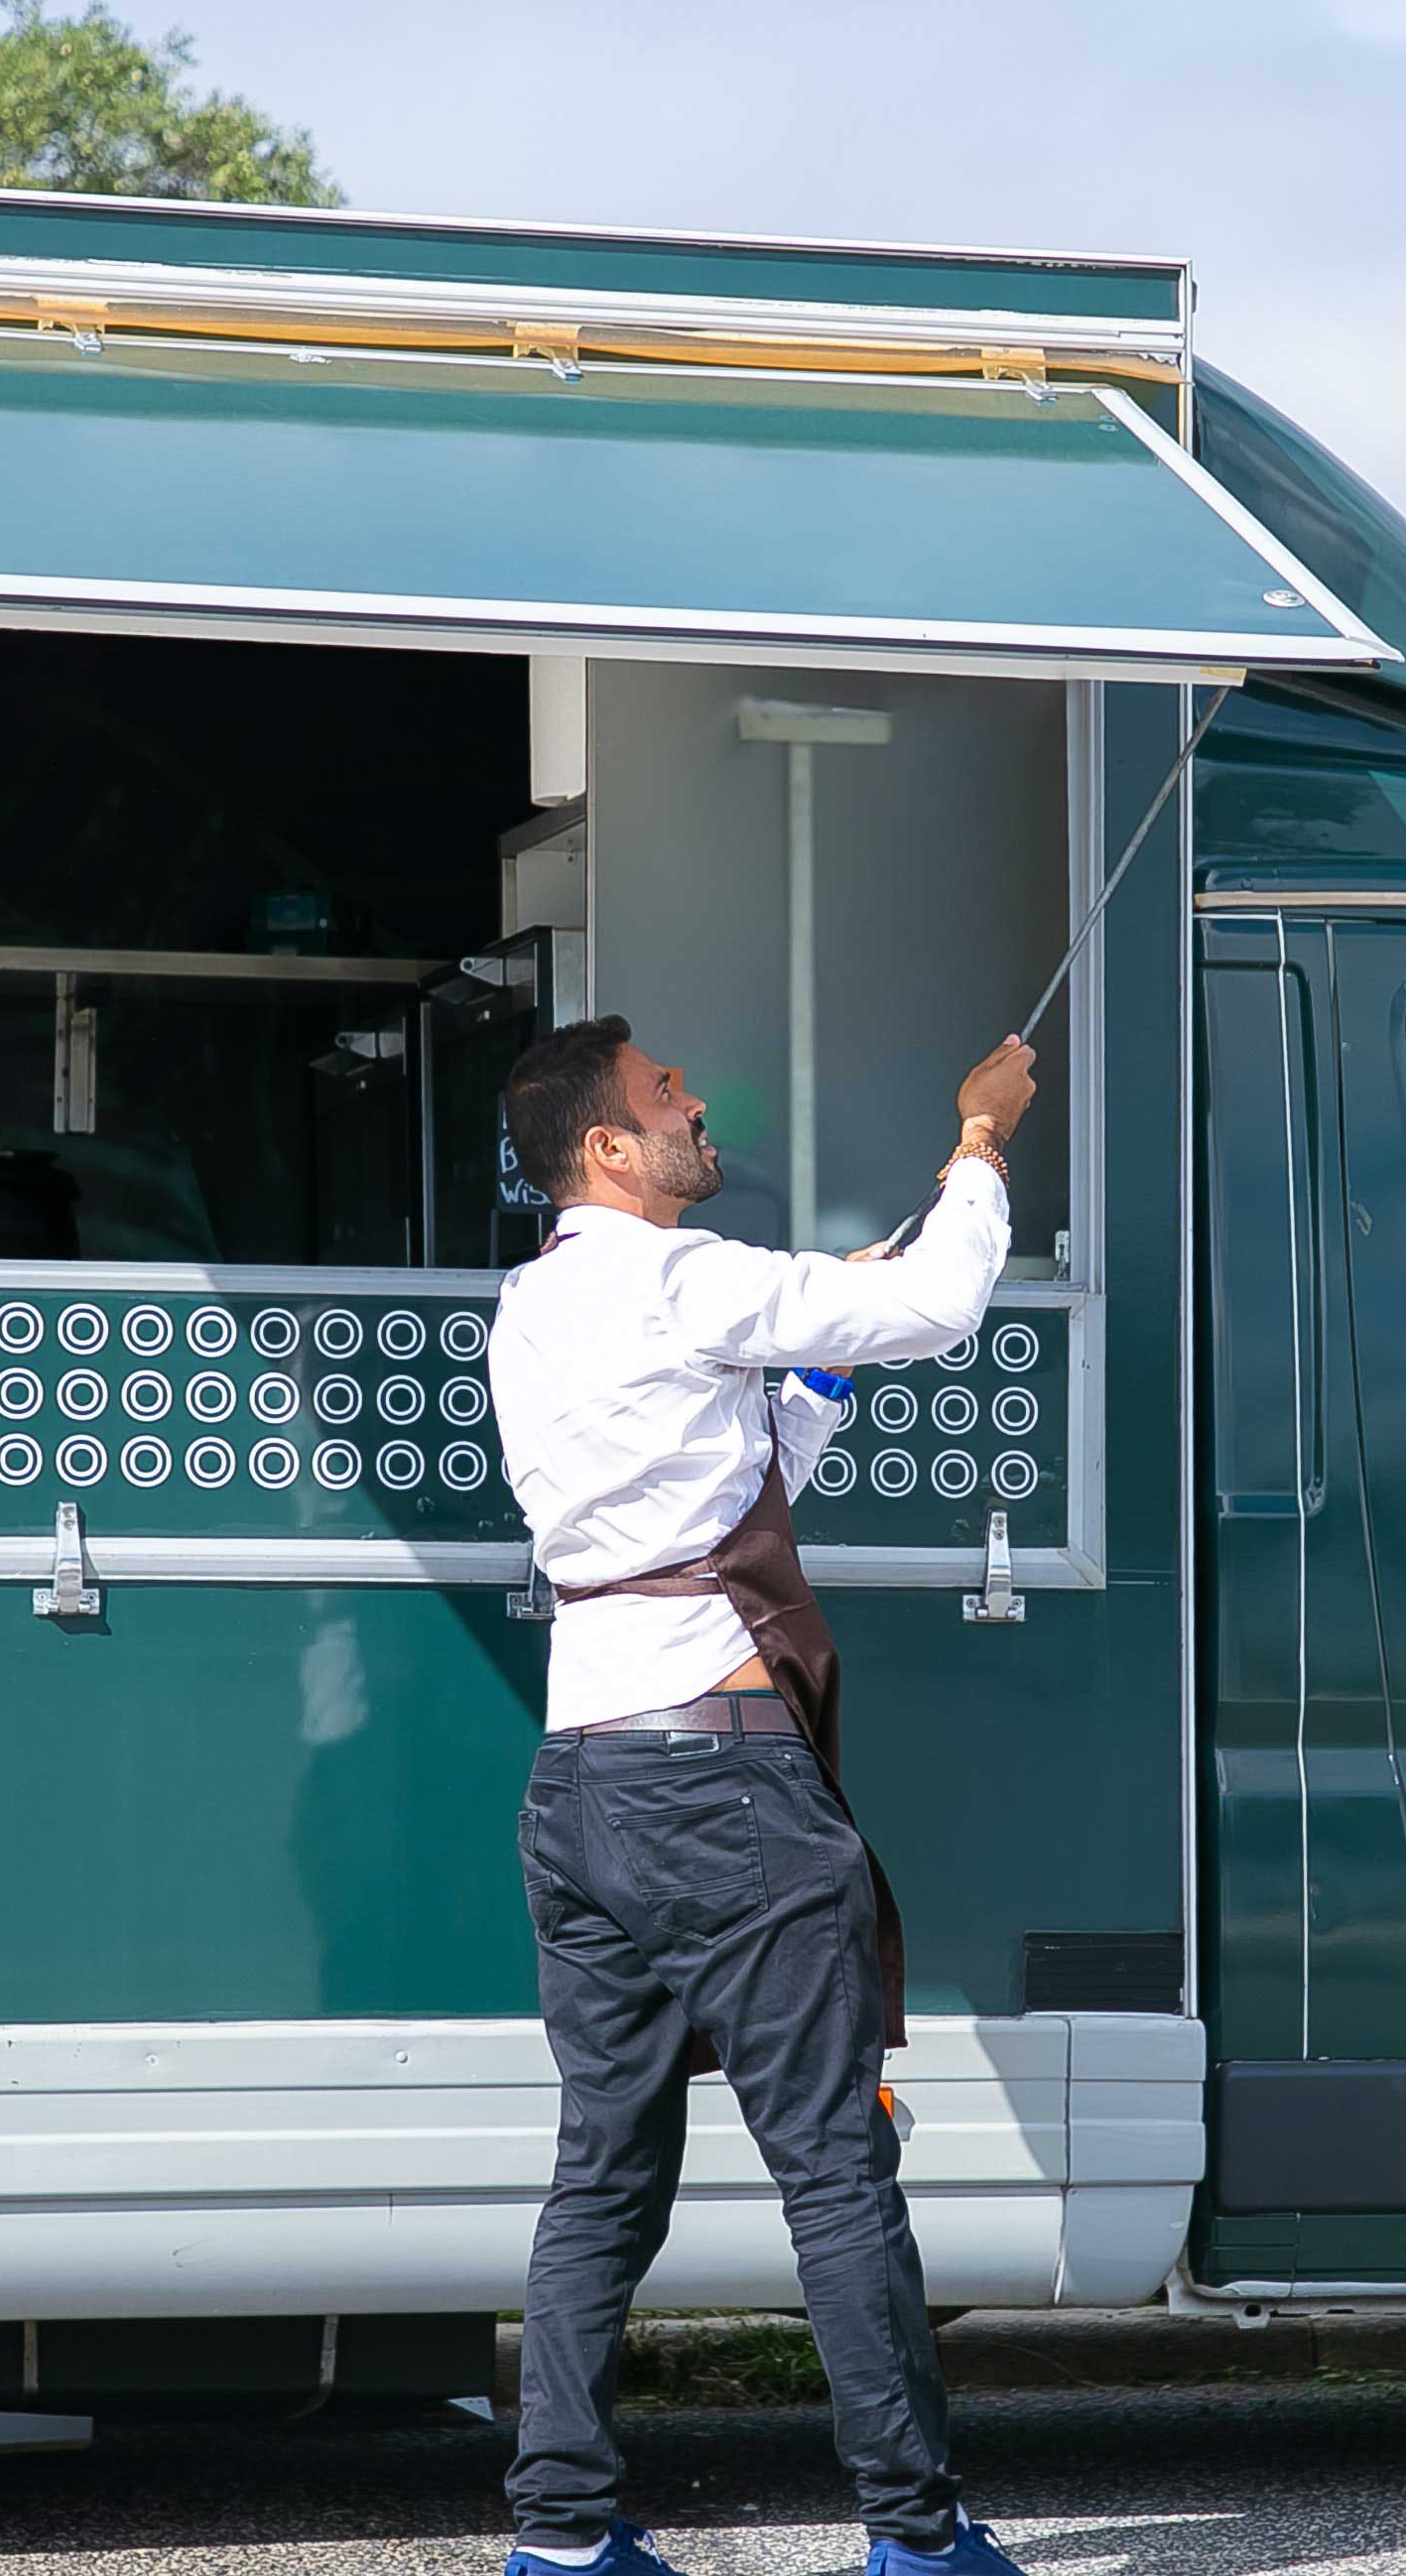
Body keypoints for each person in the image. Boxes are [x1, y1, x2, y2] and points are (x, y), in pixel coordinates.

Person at [486, 1016, 1040, 2576]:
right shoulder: (679, 1274)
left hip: (581, 1783)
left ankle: (562, 2539)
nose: (695, 1102)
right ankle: (918, 2543)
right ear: (606, 1145)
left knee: (604, 2174)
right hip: (723, 1785)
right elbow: (934, 1308)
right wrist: (982, 1138)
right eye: (667, 1093)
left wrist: (817, 1339)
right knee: (834, 2169)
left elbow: (738, 1446)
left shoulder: (531, 1308)